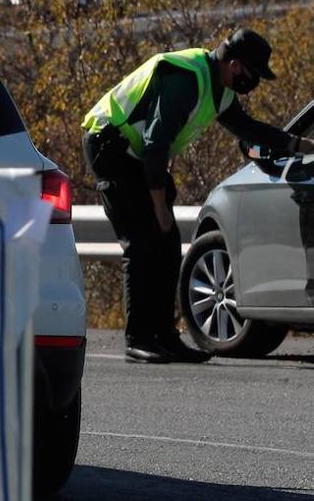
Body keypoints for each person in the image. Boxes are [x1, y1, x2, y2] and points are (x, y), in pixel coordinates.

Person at [82, 28, 314, 364]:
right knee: (143, 243)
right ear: (235, 65)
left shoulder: (219, 90)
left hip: (139, 156)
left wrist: (299, 144)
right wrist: (160, 205)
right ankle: (139, 339)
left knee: (167, 245)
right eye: (253, 74)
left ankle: (165, 336)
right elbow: (156, 144)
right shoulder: (186, 80)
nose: (254, 83)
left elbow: (250, 130)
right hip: (109, 146)